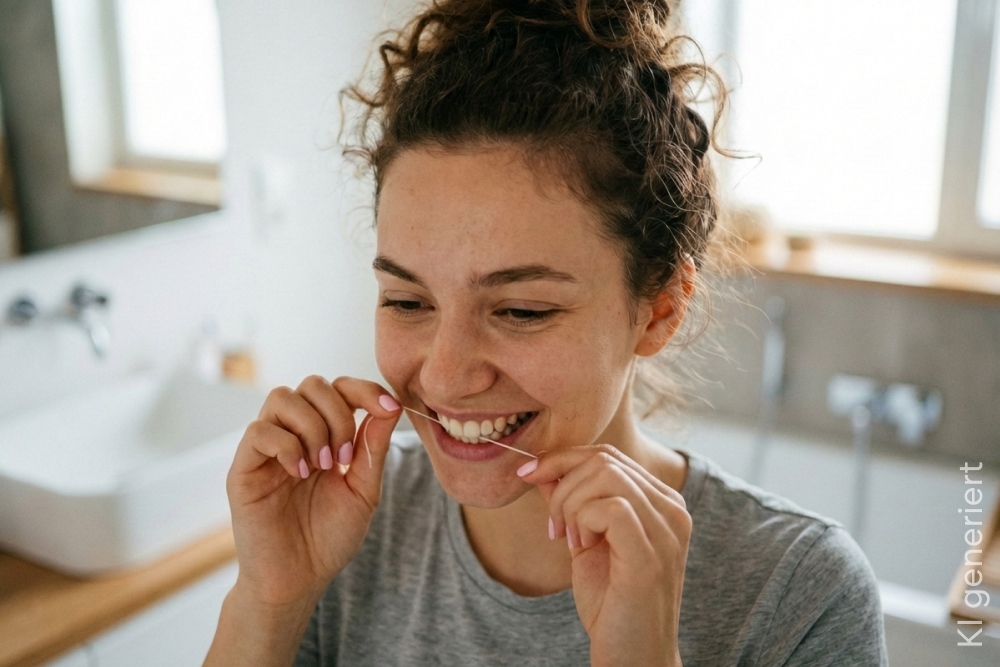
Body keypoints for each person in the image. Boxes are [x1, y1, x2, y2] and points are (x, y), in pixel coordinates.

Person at [204, 1, 888, 665]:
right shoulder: (348, 524)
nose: (442, 377)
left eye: (521, 311)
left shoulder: (803, 596)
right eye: (408, 300)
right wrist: (269, 601)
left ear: (658, 309)